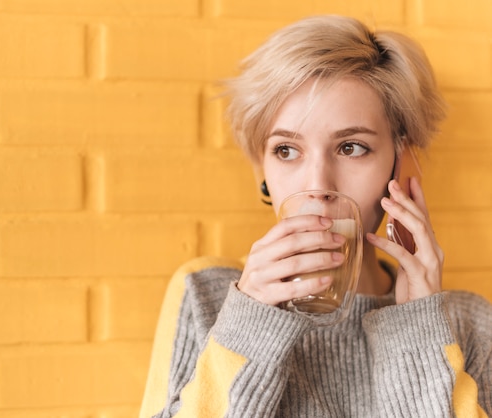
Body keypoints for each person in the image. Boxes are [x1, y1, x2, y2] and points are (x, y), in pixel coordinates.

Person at [139, 15, 492, 417]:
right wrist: (250, 328)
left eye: (351, 147)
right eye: (286, 150)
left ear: (402, 165)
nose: (318, 184)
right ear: (263, 171)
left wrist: (415, 328)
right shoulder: (207, 295)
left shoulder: (471, 323)